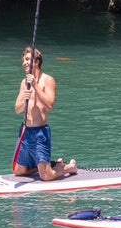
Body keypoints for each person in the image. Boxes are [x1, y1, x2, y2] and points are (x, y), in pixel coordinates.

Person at [13, 46, 77, 180]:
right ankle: (50, 164)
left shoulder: (48, 80)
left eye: (28, 59)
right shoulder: (24, 82)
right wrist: (24, 99)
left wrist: (35, 86)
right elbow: (17, 109)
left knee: (46, 176)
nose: (24, 63)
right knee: (18, 171)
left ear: (36, 62)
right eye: (23, 60)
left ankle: (69, 167)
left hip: (40, 133)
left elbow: (49, 105)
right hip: (25, 131)